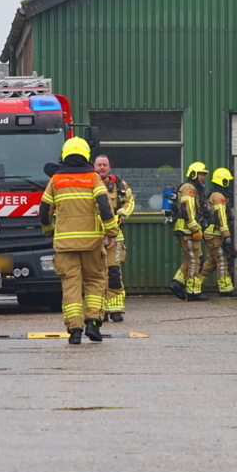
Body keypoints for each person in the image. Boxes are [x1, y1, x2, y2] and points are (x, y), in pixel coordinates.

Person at [39, 137, 119, 344]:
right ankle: (93, 322)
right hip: (91, 242)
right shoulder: (93, 178)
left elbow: (44, 209)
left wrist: (49, 230)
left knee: (71, 285)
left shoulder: (56, 180)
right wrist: (111, 232)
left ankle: (75, 331)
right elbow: (104, 206)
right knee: (94, 280)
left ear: (65, 155)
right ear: (86, 155)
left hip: (65, 244)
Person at [94, 154, 136, 322]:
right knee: (97, 274)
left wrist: (122, 213)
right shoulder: (88, 183)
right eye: (99, 165)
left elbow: (130, 201)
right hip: (94, 236)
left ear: (109, 166)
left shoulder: (119, 184)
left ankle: (116, 309)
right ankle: (99, 310)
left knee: (113, 273)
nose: (102, 167)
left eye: (105, 164)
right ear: (94, 166)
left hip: (115, 236)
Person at [169, 162, 210, 301]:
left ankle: (177, 282)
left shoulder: (193, 188)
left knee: (192, 257)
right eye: (200, 174)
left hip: (186, 229)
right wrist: (195, 229)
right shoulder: (189, 188)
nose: (202, 177)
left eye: (204, 175)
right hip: (187, 229)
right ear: (193, 174)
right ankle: (192, 291)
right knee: (194, 259)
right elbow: (187, 209)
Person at [198, 167, 237, 297]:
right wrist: (227, 236)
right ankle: (226, 289)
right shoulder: (219, 196)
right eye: (227, 181)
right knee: (222, 261)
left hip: (212, 234)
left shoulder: (216, 194)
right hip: (216, 235)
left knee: (211, 262)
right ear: (223, 181)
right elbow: (221, 216)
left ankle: (195, 283)